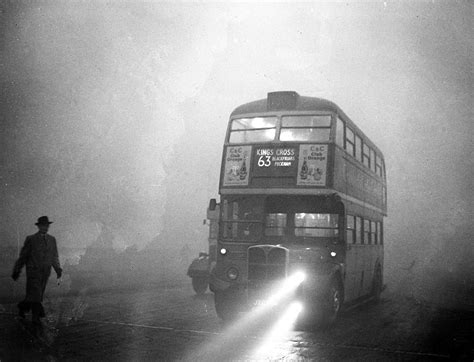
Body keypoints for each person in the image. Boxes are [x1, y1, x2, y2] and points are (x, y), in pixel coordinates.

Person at [11, 216, 62, 324]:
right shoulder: (31, 239)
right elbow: (23, 256)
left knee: (35, 295)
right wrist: (17, 270)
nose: (45, 227)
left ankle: (22, 307)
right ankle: (36, 318)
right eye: (43, 225)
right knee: (36, 295)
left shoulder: (52, 240)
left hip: (45, 272)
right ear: (39, 226)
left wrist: (58, 268)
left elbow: (54, 256)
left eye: (47, 225)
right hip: (33, 272)